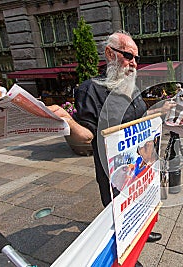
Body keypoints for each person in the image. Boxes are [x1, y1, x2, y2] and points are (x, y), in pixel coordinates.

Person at [48, 31, 174, 267]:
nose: (134, 63)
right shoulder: (90, 90)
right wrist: (69, 121)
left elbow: (141, 118)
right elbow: (88, 136)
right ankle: (126, 254)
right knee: (119, 216)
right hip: (113, 172)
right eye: (128, 56)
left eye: (136, 58)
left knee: (141, 205)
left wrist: (158, 111)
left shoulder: (132, 88)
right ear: (110, 53)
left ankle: (142, 233)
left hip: (141, 165)